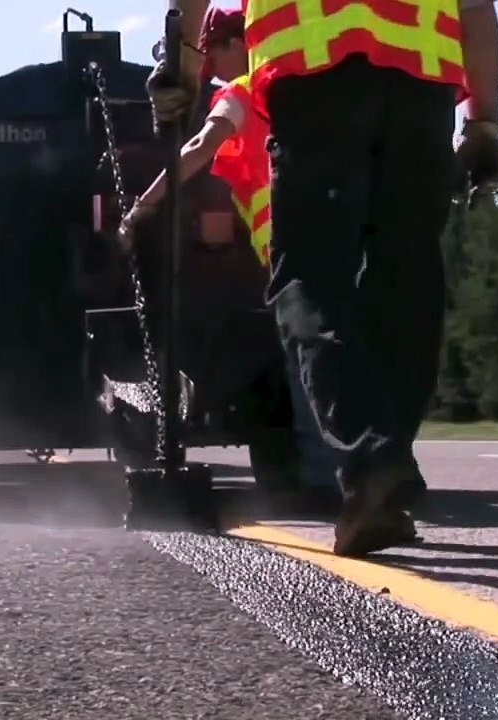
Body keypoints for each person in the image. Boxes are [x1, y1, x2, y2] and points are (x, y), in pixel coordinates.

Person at [149, 0, 498, 557]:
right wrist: (484, 119)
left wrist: (182, 65)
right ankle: (388, 462)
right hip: (423, 85)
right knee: (407, 274)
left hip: (313, 75)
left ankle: (372, 462)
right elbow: (477, 8)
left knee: (309, 282)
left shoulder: (235, 94)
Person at [122, 7, 341, 507]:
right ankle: (378, 465)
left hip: (296, 242)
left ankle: (320, 479)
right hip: (343, 228)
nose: (209, 68)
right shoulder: (307, 89)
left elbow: (201, 146)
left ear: (238, 44)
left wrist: (143, 206)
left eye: (212, 53)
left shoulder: (244, 91)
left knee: (306, 354)